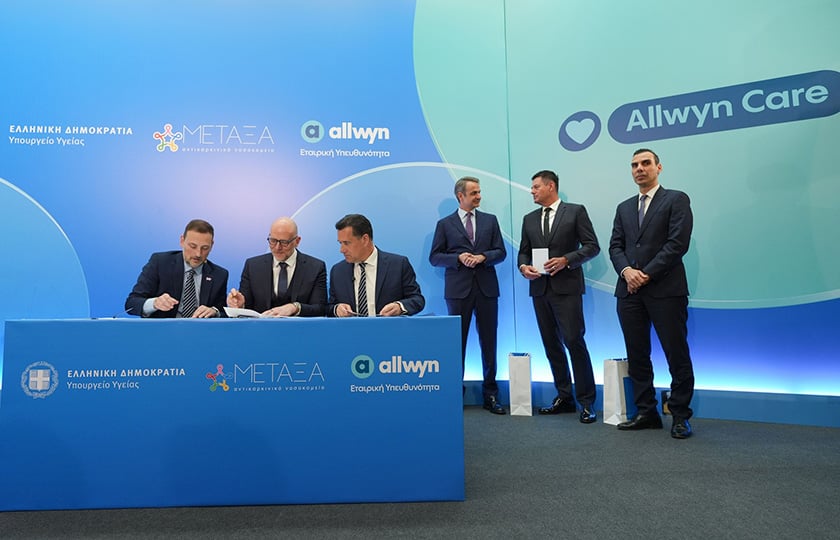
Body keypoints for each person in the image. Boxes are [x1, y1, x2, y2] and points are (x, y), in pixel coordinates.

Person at [609, 148, 695, 439]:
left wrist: (644, 274)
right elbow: (615, 247)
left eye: (646, 163)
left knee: (676, 353)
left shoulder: (676, 199)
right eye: (634, 165)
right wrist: (627, 272)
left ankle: (680, 415)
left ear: (659, 167)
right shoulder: (623, 207)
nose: (639, 168)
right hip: (628, 291)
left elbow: (677, 244)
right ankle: (646, 412)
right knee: (637, 354)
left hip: (665, 289)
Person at [518, 170, 600, 424]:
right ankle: (564, 397)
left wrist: (567, 260)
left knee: (574, 341)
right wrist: (524, 267)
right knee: (551, 345)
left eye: (536, 187)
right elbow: (523, 252)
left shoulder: (575, 211)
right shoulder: (529, 218)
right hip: (539, 289)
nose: (532, 191)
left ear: (550, 186)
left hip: (567, 289)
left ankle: (586, 402)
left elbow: (592, 246)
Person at [429, 177, 507, 414]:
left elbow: (501, 252)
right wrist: (458, 258)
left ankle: (491, 394)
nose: (479, 196)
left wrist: (483, 257)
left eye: (479, 192)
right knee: (457, 344)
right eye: (474, 193)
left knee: (489, 342)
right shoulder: (445, 224)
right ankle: (455, 393)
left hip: (486, 289)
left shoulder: (490, 221)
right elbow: (435, 257)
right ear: (460, 196)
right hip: (458, 291)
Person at [125, 219, 228, 318]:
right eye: (193, 246)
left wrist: (214, 311)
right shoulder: (160, 263)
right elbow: (131, 303)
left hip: (200, 329)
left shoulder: (219, 275)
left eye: (205, 248)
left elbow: (223, 312)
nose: (198, 254)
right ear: (182, 241)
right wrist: (154, 303)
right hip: (164, 329)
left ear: (212, 245)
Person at [328, 213, 425, 317]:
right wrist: (336, 309)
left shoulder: (398, 265)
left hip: (388, 327)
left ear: (365, 239)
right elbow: (329, 307)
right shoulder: (338, 271)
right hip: (352, 327)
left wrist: (399, 307)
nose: (342, 250)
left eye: (347, 243)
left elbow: (417, 300)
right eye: (340, 243)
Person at [227, 217, 327, 317]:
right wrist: (240, 305)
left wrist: (295, 307)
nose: (277, 247)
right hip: (262, 326)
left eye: (284, 242)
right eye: (273, 240)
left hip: (299, 326)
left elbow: (320, 308)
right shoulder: (252, 266)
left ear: (297, 241)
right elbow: (247, 307)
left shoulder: (315, 267)